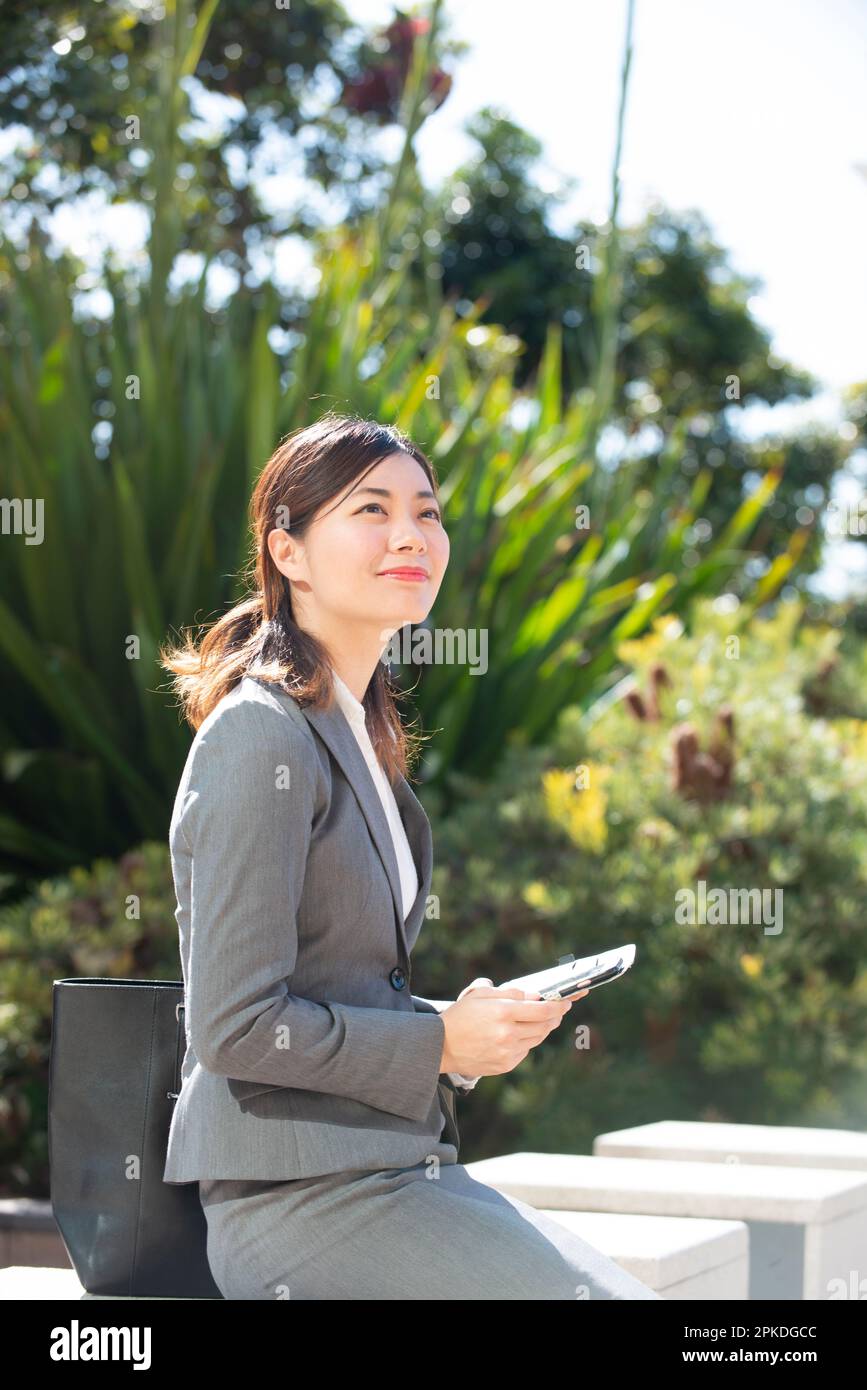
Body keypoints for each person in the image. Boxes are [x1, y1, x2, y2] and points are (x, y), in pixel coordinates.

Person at [159, 411, 661, 1301]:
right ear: (288, 552)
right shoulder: (258, 736)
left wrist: (463, 1029)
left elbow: (335, 988)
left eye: (427, 513)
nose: (409, 535)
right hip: (300, 1200)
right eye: (370, 510)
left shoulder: (353, 739)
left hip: (393, 1172)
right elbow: (233, 1023)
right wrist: (435, 1039)